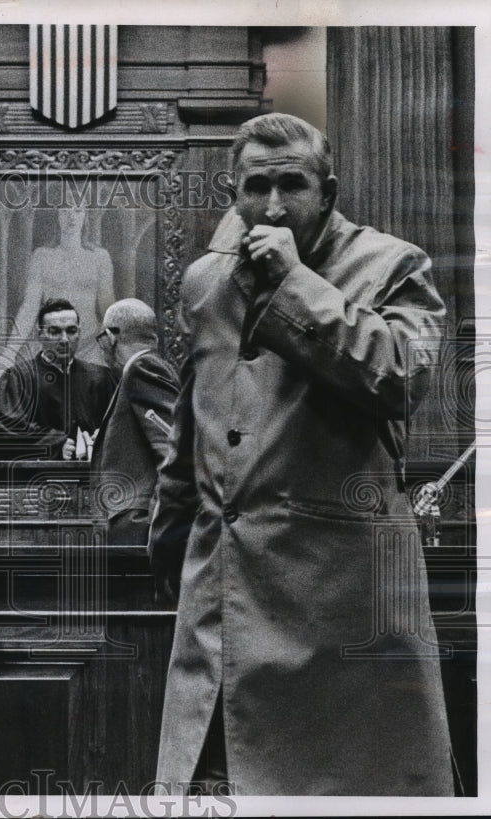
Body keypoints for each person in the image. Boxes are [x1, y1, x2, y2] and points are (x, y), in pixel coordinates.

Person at [149, 113, 454, 795]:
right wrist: (169, 542)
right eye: (257, 186)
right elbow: (194, 422)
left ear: (330, 190)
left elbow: (399, 377)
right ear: (234, 191)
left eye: (294, 184)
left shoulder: (393, 264)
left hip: (341, 619)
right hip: (222, 607)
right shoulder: (207, 281)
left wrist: (293, 282)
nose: (274, 206)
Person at [90, 299, 179, 545]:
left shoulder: (142, 367)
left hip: (140, 530)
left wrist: (160, 526)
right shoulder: (148, 367)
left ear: (110, 337)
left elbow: (173, 453)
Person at [0, 298, 115, 461]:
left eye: (71, 331)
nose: (64, 340)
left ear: (79, 332)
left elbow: (121, 426)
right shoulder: (19, 379)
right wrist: (54, 445)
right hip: (36, 481)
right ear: (39, 334)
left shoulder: (101, 378)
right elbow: (3, 432)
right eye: (54, 332)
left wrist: (105, 438)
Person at [0, 201, 115, 369]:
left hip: (90, 346)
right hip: (51, 345)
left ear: (85, 216)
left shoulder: (100, 257)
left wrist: (119, 348)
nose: (71, 217)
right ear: (57, 216)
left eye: (77, 210)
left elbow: (108, 307)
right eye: (65, 210)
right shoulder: (42, 256)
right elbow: (30, 307)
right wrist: (9, 352)